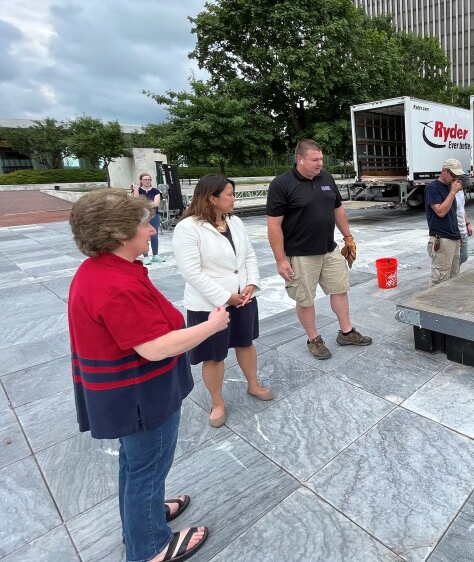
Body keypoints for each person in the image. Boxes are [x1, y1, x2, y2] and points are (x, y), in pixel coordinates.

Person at [68, 189, 230, 562]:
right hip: (140, 397)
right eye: (144, 225)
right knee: (148, 468)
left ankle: (144, 519)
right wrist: (212, 324)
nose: (152, 231)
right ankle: (150, 546)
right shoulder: (116, 285)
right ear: (121, 236)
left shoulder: (101, 269)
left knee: (136, 464)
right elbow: (154, 347)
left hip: (128, 394)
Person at [172, 175, 273, 429]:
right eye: (229, 194)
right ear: (211, 198)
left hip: (244, 298)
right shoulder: (188, 228)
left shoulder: (235, 222)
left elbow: (249, 255)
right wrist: (226, 297)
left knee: (245, 343)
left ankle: (253, 384)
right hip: (210, 305)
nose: (233, 198)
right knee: (214, 356)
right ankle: (217, 402)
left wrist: (251, 284)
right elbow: (191, 272)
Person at [267, 139, 372, 360]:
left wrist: (348, 237)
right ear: (300, 159)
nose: (320, 163)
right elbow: (274, 225)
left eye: (321, 159)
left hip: (329, 249)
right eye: (315, 160)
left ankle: (346, 332)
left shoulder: (326, 178)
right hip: (300, 254)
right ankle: (313, 339)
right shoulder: (281, 184)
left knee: (340, 289)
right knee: (305, 298)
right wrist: (280, 260)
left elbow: (338, 209)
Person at [425, 158, 465, 285]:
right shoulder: (433, 188)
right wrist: (453, 192)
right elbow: (440, 212)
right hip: (442, 239)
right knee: (440, 279)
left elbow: (454, 214)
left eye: (457, 175)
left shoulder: (449, 188)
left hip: (453, 238)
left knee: (453, 276)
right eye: (453, 175)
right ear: (444, 171)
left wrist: (459, 236)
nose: (455, 178)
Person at [131, 173, 165, 264]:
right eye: (145, 179)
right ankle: (145, 256)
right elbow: (135, 201)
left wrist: (142, 204)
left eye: (149, 179)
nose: (147, 181)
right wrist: (136, 190)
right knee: (144, 235)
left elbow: (156, 203)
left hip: (153, 215)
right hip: (142, 216)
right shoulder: (138, 191)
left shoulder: (155, 191)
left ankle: (155, 255)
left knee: (154, 235)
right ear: (141, 181)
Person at [455, 173, 473, 265]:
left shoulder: (461, 192)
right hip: (456, 230)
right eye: (463, 184)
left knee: (464, 256)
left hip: (462, 228)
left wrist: (467, 223)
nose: (464, 187)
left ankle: (454, 271)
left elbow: (462, 209)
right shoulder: (452, 193)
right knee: (456, 257)